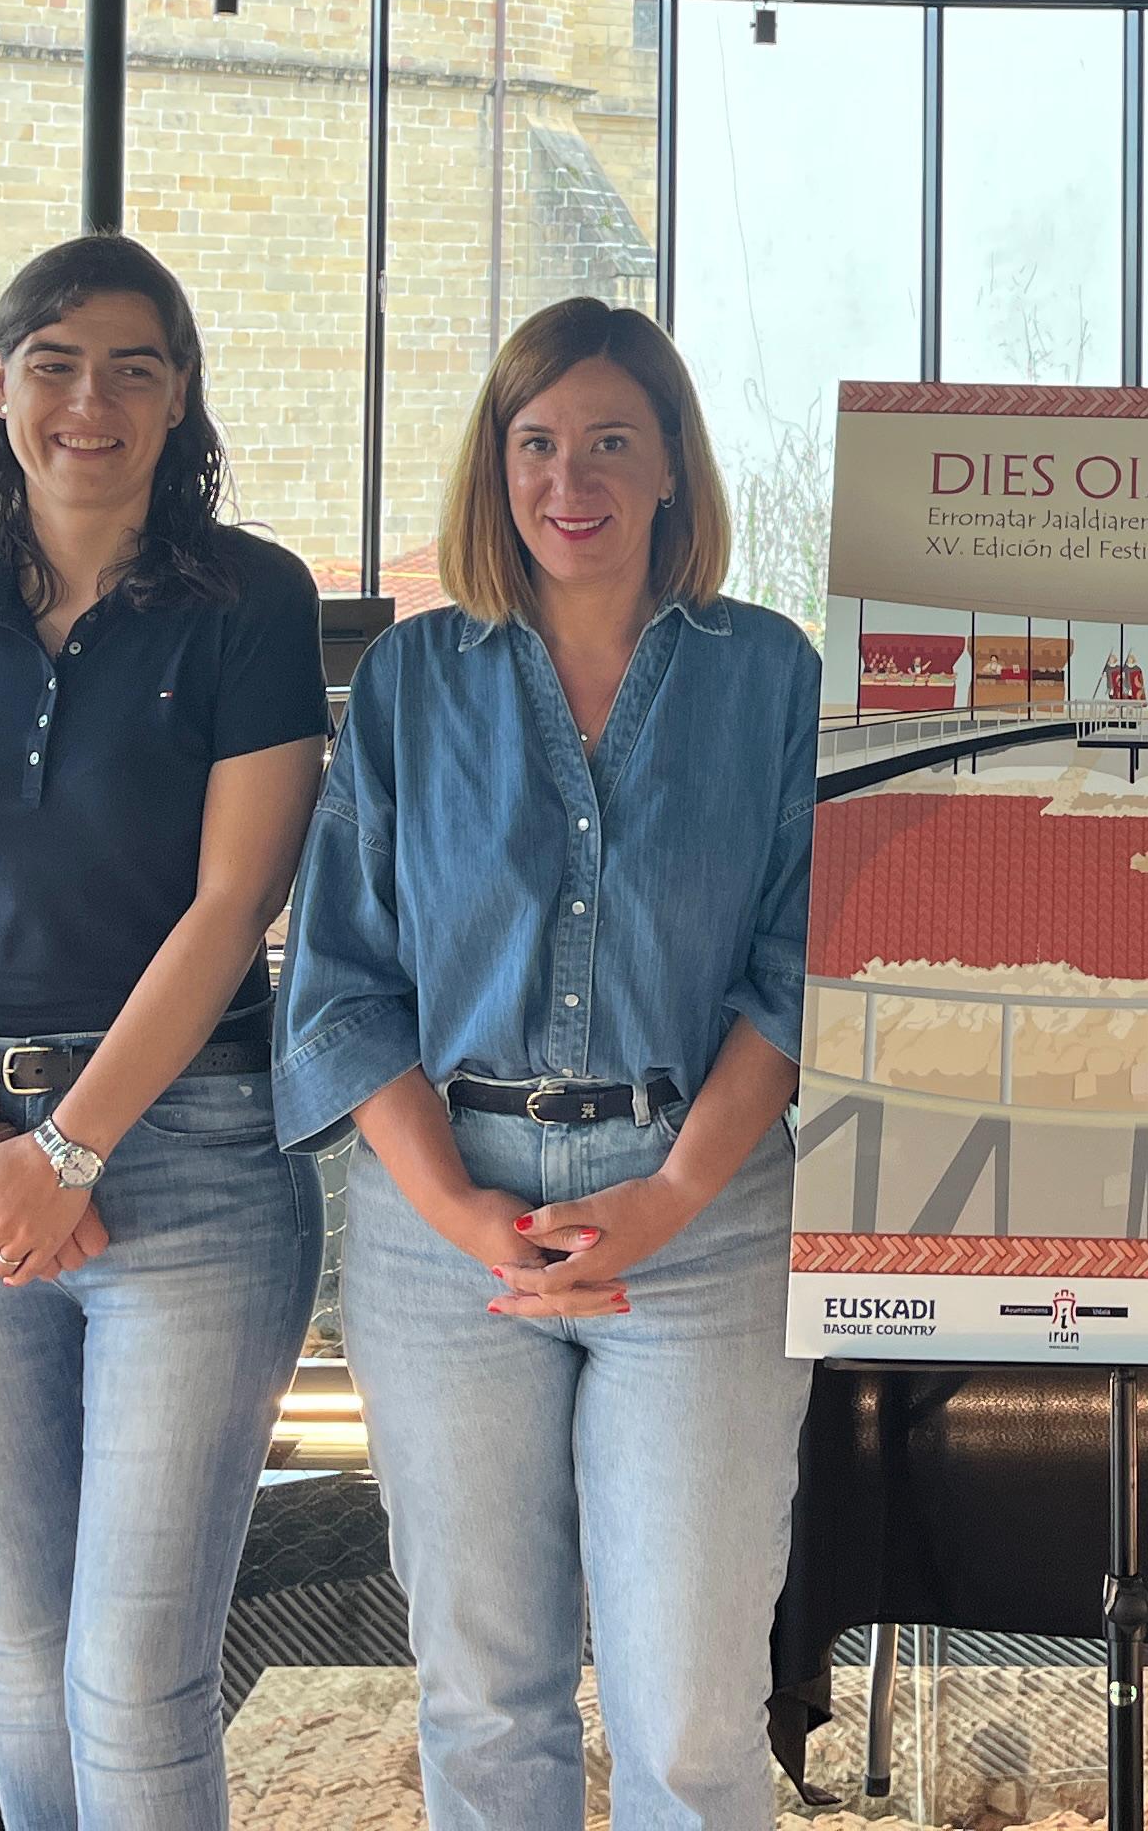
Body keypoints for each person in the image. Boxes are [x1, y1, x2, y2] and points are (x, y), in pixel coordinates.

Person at [278, 298, 819, 1831]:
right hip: (445, 1232)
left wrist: (666, 1195)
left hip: (700, 1230)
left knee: (694, 1721)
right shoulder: (410, 682)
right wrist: (460, 1215)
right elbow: (345, 984)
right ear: (494, 467)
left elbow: (795, 973)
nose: (568, 478)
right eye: (534, 444)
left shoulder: (770, 676)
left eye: (608, 442)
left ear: (669, 472)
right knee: (486, 1701)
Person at [0, 235, 331, 1831]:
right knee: (25, 1650)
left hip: (190, 1164)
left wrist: (72, 1145)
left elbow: (231, 905)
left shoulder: (252, 601)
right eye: (54, 361)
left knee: (132, 1665)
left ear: (181, 401)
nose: (90, 400)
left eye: (134, 366)